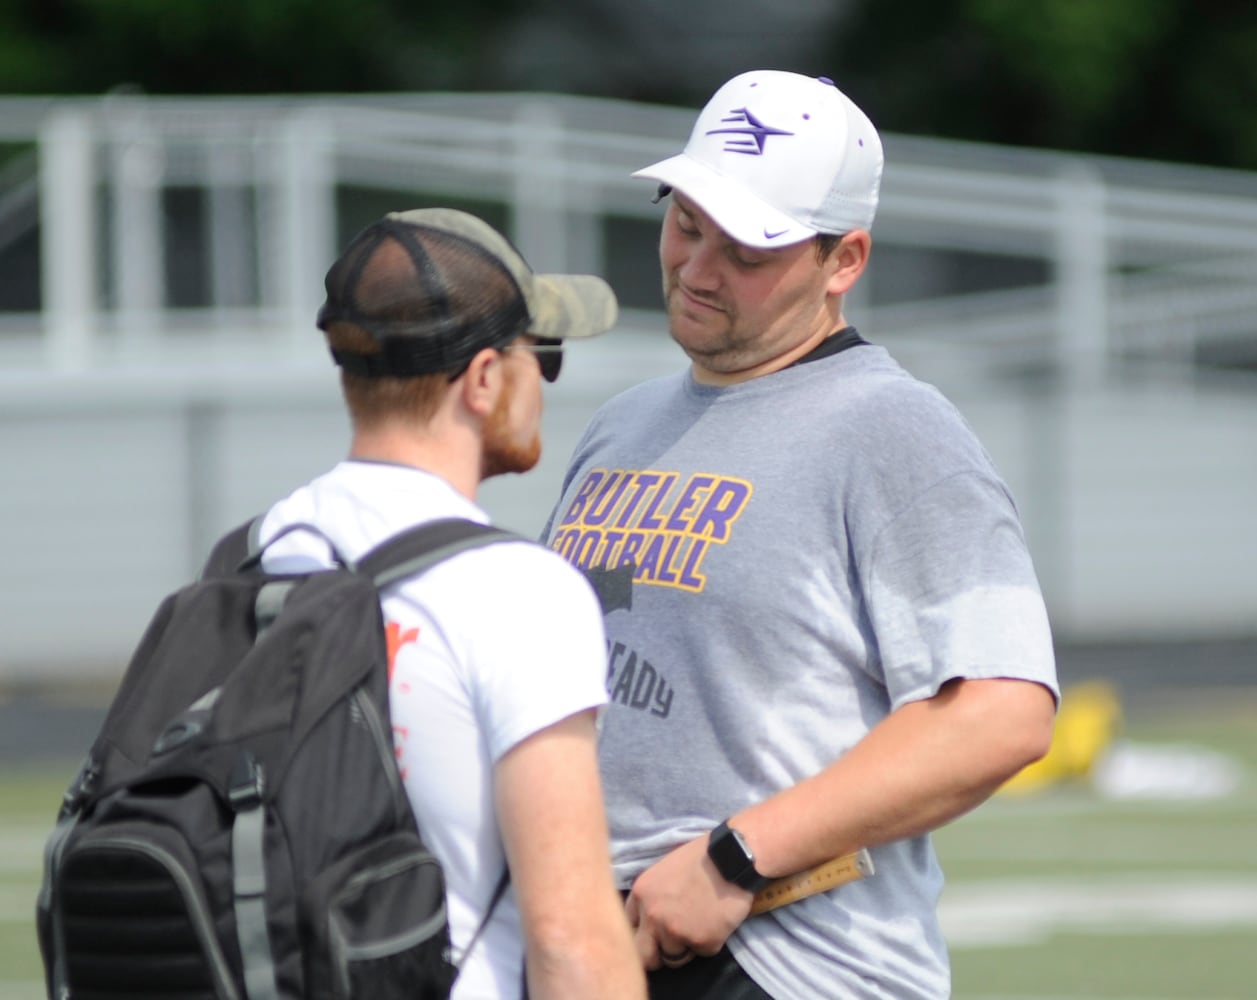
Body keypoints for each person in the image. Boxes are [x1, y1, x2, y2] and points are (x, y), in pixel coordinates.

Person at [542, 70, 1059, 999]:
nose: (697, 269)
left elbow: (1000, 712)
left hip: (788, 964)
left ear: (843, 259)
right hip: (601, 952)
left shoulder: (892, 429)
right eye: (686, 223)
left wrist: (734, 861)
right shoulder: (622, 423)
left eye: (746, 248)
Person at [256, 208, 647, 1000]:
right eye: (543, 355)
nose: (544, 380)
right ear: (482, 379)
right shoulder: (517, 591)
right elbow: (571, 937)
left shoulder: (261, 549)